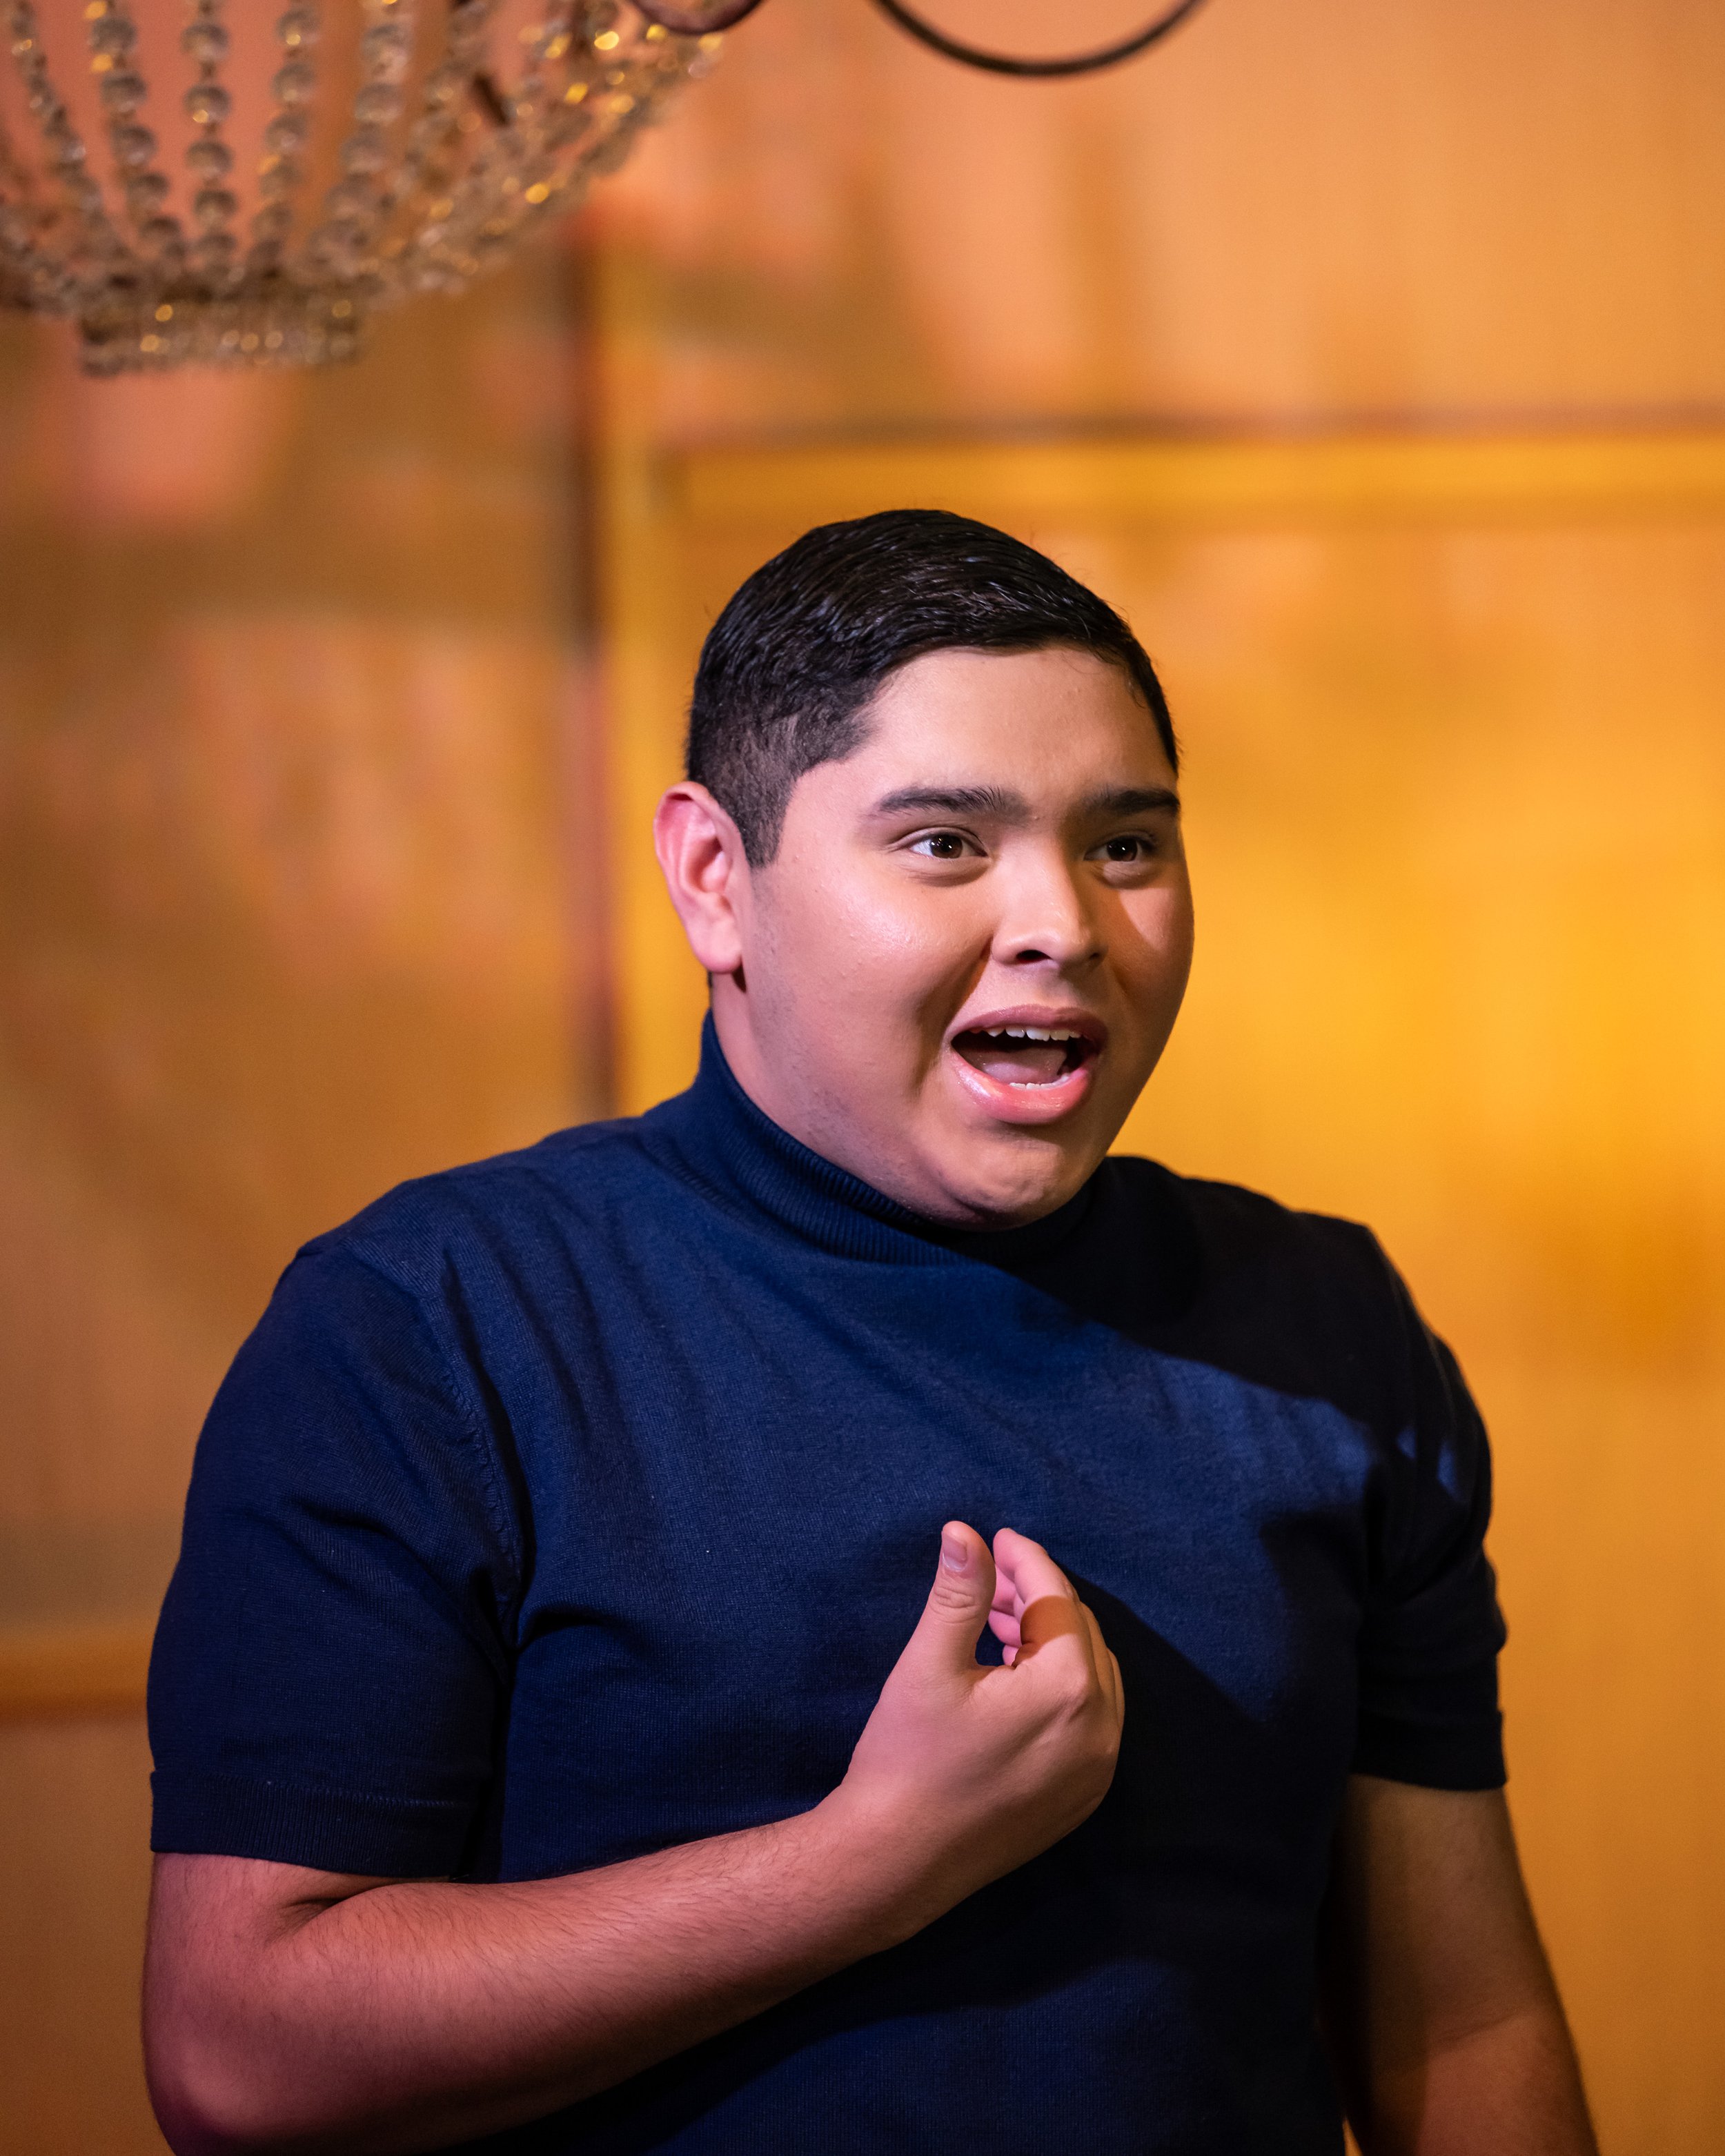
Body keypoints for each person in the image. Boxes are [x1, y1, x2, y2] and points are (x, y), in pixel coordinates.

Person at [144, 510, 1597, 2156]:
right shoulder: (432, 1326)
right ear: (714, 879)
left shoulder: (1323, 1325)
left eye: (1125, 844)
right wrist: (869, 1861)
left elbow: (1463, 2027)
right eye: (943, 844)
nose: (1061, 920)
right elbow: (238, 2054)